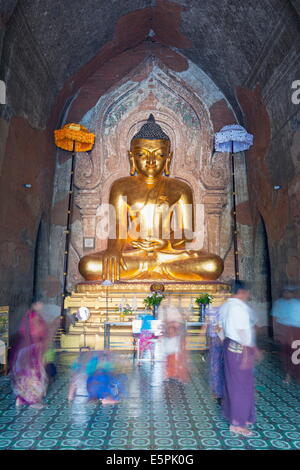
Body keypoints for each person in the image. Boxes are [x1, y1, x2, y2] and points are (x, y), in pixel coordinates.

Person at [218, 281, 262, 436]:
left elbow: (221, 328)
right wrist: (250, 350)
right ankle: (237, 423)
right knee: (240, 385)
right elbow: (243, 331)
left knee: (236, 382)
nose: (248, 295)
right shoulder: (238, 308)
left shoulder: (226, 306)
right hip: (240, 347)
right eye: (247, 292)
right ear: (242, 292)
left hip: (230, 345)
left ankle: (241, 416)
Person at [10, 301, 49, 409]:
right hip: (32, 348)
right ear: (34, 304)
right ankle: (33, 402)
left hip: (25, 348)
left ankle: (21, 399)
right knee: (34, 374)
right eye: (40, 303)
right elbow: (36, 332)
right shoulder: (33, 316)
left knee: (24, 374)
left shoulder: (29, 315)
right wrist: (39, 346)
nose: (42, 305)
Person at [272, 286, 300, 384]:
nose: (287, 294)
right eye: (286, 292)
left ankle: (298, 375)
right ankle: (288, 375)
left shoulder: (297, 304)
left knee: (297, 353)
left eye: (290, 292)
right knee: (285, 354)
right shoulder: (278, 303)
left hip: (297, 332)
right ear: (283, 293)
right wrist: (276, 332)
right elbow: (274, 319)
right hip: (284, 331)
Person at [158, 299, 189, 383]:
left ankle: (179, 375)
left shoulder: (173, 309)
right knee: (167, 356)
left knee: (177, 356)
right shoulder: (161, 310)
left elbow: (179, 322)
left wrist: (173, 325)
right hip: (167, 335)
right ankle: (168, 374)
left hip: (175, 335)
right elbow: (161, 322)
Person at [206, 306, 224, 403]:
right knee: (217, 366)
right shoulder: (213, 309)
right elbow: (215, 326)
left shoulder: (228, 308)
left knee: (218, 366)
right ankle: (218, 391)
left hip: (223, 339)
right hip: (220, 339)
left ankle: (219, 391)